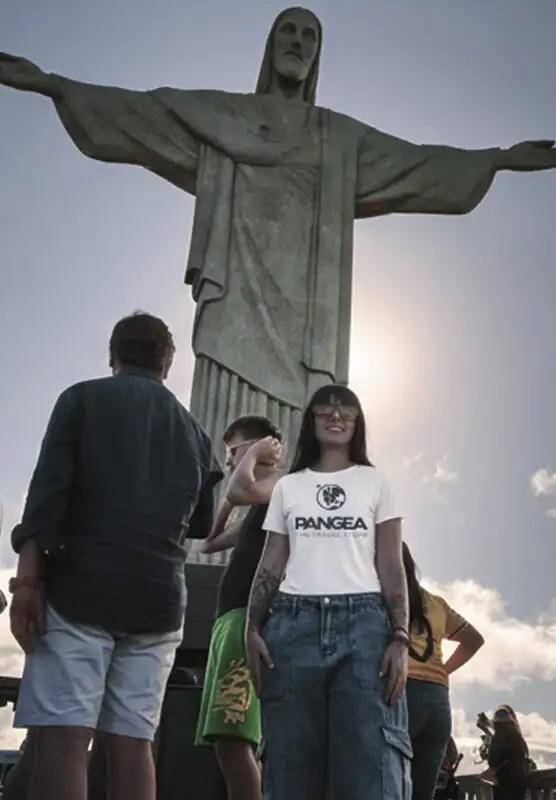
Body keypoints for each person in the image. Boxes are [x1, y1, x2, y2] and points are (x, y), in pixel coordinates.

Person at [8, 311, 222, 800]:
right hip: (160, 604)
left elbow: (46, 499)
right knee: (132, 744)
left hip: (80, 592)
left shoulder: (81, 399)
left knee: (64, 740)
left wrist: (27, 584)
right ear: (168, 361)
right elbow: (202, 525)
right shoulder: (196, 434)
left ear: (112, 356)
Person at [245, 384, 411, 800]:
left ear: (357, 424)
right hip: (292, 624)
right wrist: (251, 627)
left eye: (346, 413)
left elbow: (391, 563)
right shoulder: (289, 486)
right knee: (289, 768)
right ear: (312, 421)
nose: (336, 418)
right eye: (325, 412)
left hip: (365, 628)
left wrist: (401, 636)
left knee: (367, 769)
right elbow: (271, 563)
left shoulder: (376, 482)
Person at [195, 415, 283, 800]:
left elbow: (238, 486)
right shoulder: (255, 504)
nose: (230, 462)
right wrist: (229, 500)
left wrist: (258, 454)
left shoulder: (285, 484)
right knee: (225, 741)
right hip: (228, 623)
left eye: (234, 452)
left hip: (245, 621)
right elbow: (209, 542)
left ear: (262, 445)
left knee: (233, 741)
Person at [403, 543, 484, 800]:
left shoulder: (382, 597)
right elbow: (474, 640)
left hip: (400, 693)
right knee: (422, 793)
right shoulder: (437, 603)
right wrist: (443, 671)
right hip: (438, 703)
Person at [487, 706, 531, 800]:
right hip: (520, 783)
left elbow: (493, 760)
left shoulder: (498, 735)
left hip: (504, 783)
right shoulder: (519, 738)